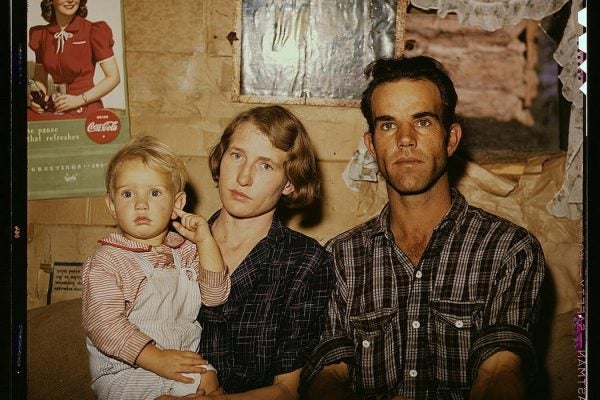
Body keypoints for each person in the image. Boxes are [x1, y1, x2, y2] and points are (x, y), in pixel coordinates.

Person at [300, 56, 546, 400]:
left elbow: (500, 368)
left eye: (423, 122)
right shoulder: (340, 256)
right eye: (388, 125)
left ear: (451, 138)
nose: (404, 139)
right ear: (371, 146)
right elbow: (328, 375)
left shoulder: (509, 249)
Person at [159, 105, 333, 400]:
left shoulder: (306, 262)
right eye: (237, 155)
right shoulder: (172, 245)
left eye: (266, 165)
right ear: (221, 158)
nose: (242, 178)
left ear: (289, 182)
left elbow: (288, 391)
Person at [81, 135, 231, 399]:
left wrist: (206, 242)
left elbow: (215, 296)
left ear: (177, 204)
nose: (140, 203)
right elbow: (103, 324)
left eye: (155, 192)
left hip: (174, 362)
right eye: (127, 193)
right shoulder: (108, 260)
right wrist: (156, 358)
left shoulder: (184, 252)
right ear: (112, 206)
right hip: (123, 370)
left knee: (208, 379)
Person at [28, 0, 120, 120]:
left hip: (85, 106)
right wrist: (38, 100)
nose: (70, 0)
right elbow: (40, 78)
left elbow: (114, 77)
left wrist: (79, 99)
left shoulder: (94, 30)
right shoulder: (41, 34)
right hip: (56, 105)